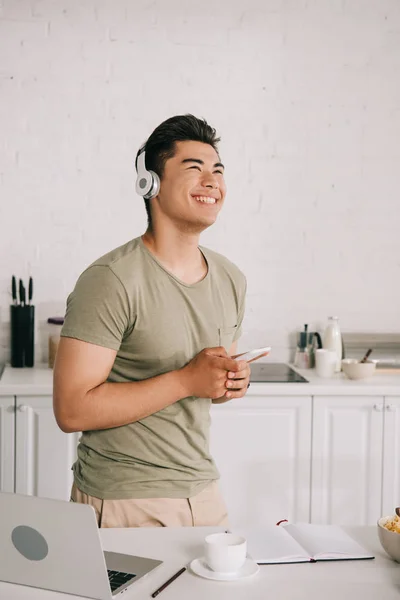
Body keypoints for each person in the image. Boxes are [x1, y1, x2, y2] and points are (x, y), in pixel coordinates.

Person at [53, 114, 250, 528]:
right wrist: (186, 380)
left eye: (217, 170)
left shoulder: (231, 278)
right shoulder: (111, 280)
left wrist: (225, 383)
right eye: (194, 168)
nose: (212, 181)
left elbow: (206, 387)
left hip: (204, 494)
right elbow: (71, 410)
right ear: (151, 185)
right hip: (125, 499)